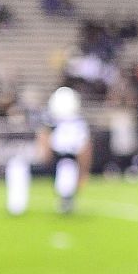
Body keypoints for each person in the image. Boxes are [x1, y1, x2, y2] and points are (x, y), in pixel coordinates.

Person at [39, 85, 92, 214]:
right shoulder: (74, 123)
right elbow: (85, 148)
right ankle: (66, 198)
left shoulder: (55, 122)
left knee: (66, 171)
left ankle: (66, 198)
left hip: (65, 159)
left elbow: (84, 148)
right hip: (61, 159)